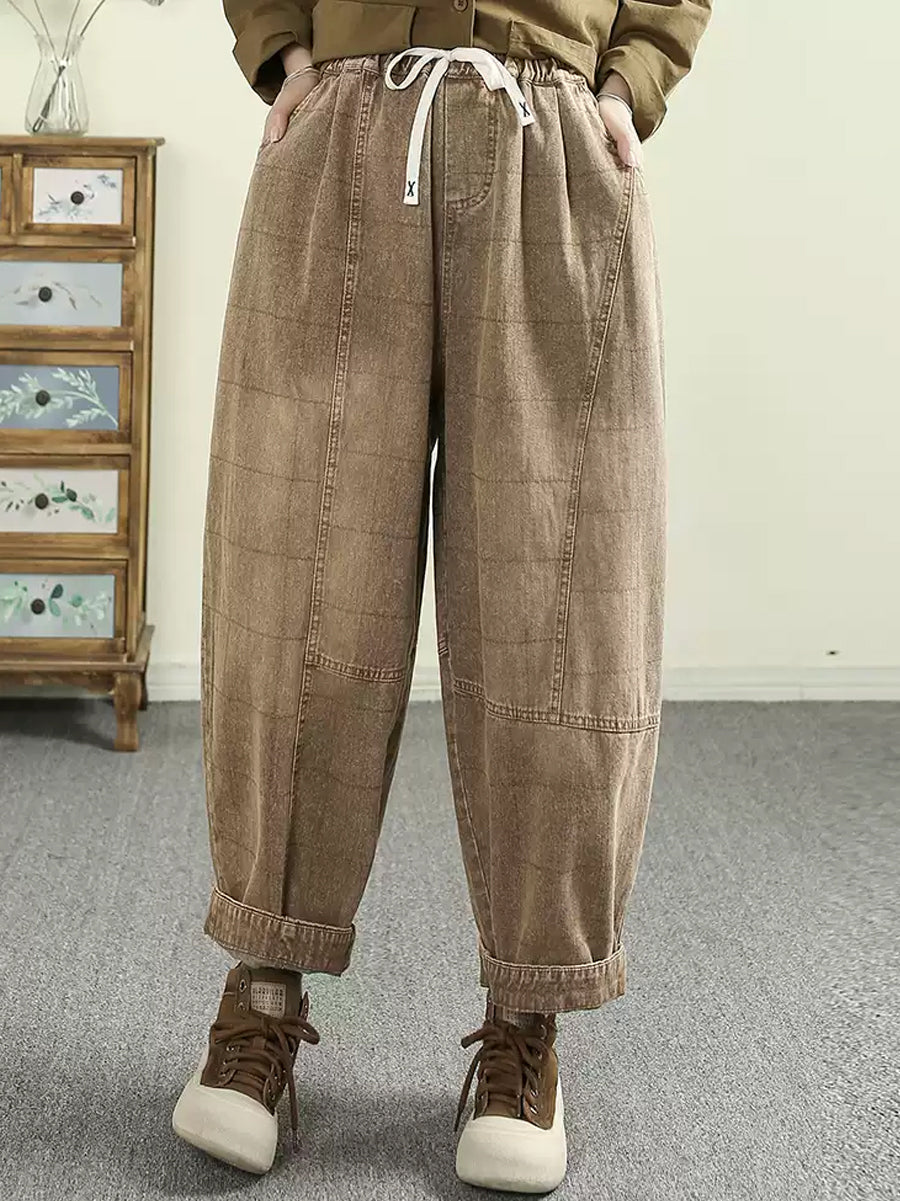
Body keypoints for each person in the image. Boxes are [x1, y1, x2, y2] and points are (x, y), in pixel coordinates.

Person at [172, 0, 712, 1191]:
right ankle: (264, 991)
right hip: (345, 128)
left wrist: (628, 85)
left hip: (551, 135)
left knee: (561, 601)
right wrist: (284, 49)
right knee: (295, 583)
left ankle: (529, 1017)